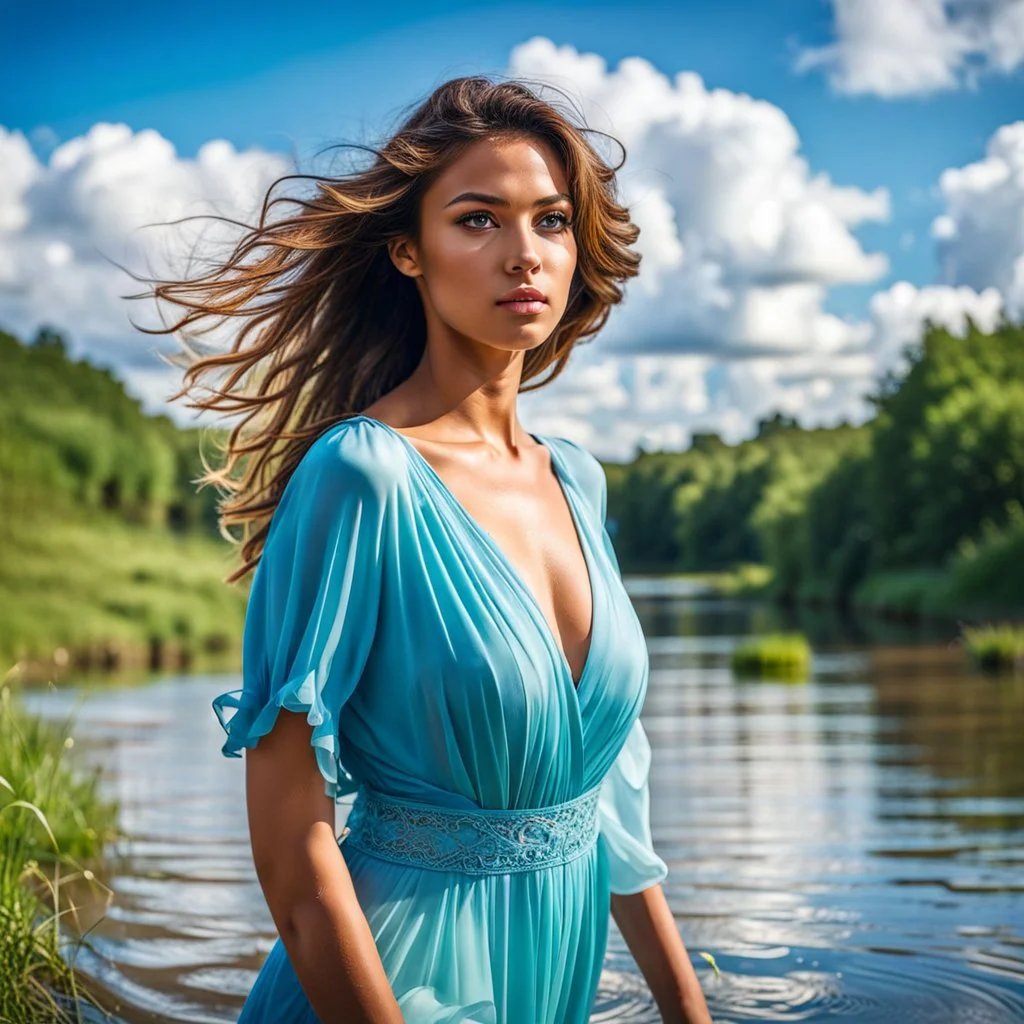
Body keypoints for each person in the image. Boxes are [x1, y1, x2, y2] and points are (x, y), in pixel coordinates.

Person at [143, 75, 712, 1024]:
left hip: (551, 979)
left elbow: (608, 805)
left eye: (552, 222)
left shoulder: (580, 480)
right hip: (393, 985)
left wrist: (690, 1013)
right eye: (479, 220)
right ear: (408, 250)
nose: (523, 256)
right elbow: (292, 851)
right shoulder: (361, 476)